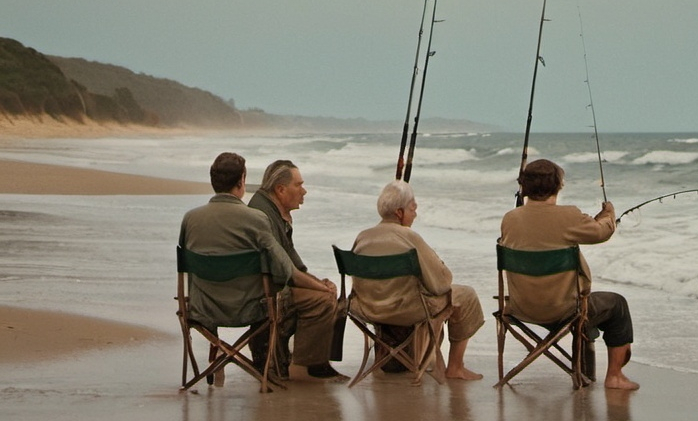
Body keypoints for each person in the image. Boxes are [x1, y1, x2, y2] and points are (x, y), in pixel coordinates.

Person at [179, 152, 343, 382]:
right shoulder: (256, 219)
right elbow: (288, 272)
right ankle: (297, 363)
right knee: (310, 298)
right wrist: (322, 288)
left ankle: (223, 356)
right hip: (249, 308)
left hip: (202, 308)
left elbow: (189, 269)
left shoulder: (190, 219)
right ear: (242, 181)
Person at [500, 159, 639, 390]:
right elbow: (602, 232)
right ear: (558, 186)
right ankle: (615, 377)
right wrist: (608, 213)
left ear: (523, 187)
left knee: (584, 309)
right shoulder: (569, 216)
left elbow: (540, 231)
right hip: (564, 309)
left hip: (520, 307)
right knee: (616, 305)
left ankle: (585, 371)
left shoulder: (509, 219)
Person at [350, 180, 485, 380]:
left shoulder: (363, 237)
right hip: (407, 309)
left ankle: (391, 355)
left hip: (368, 308)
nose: (415, 214)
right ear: (399, 212)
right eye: (413, 209)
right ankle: (455, 367)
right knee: (466, 295)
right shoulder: (409, 237)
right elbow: (441, 283)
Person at [248, 159, 347, 381]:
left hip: (265, 286)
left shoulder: (272, 210)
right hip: (266, 294)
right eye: (299, 185)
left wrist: (318, 281)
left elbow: (294, 264)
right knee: (323, 299)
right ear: (280, 189)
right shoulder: (265, 216)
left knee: (323, 291)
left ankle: (309, 360)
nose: (304, 191)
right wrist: (320, 287)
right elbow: (287, 273)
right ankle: (309, 365)